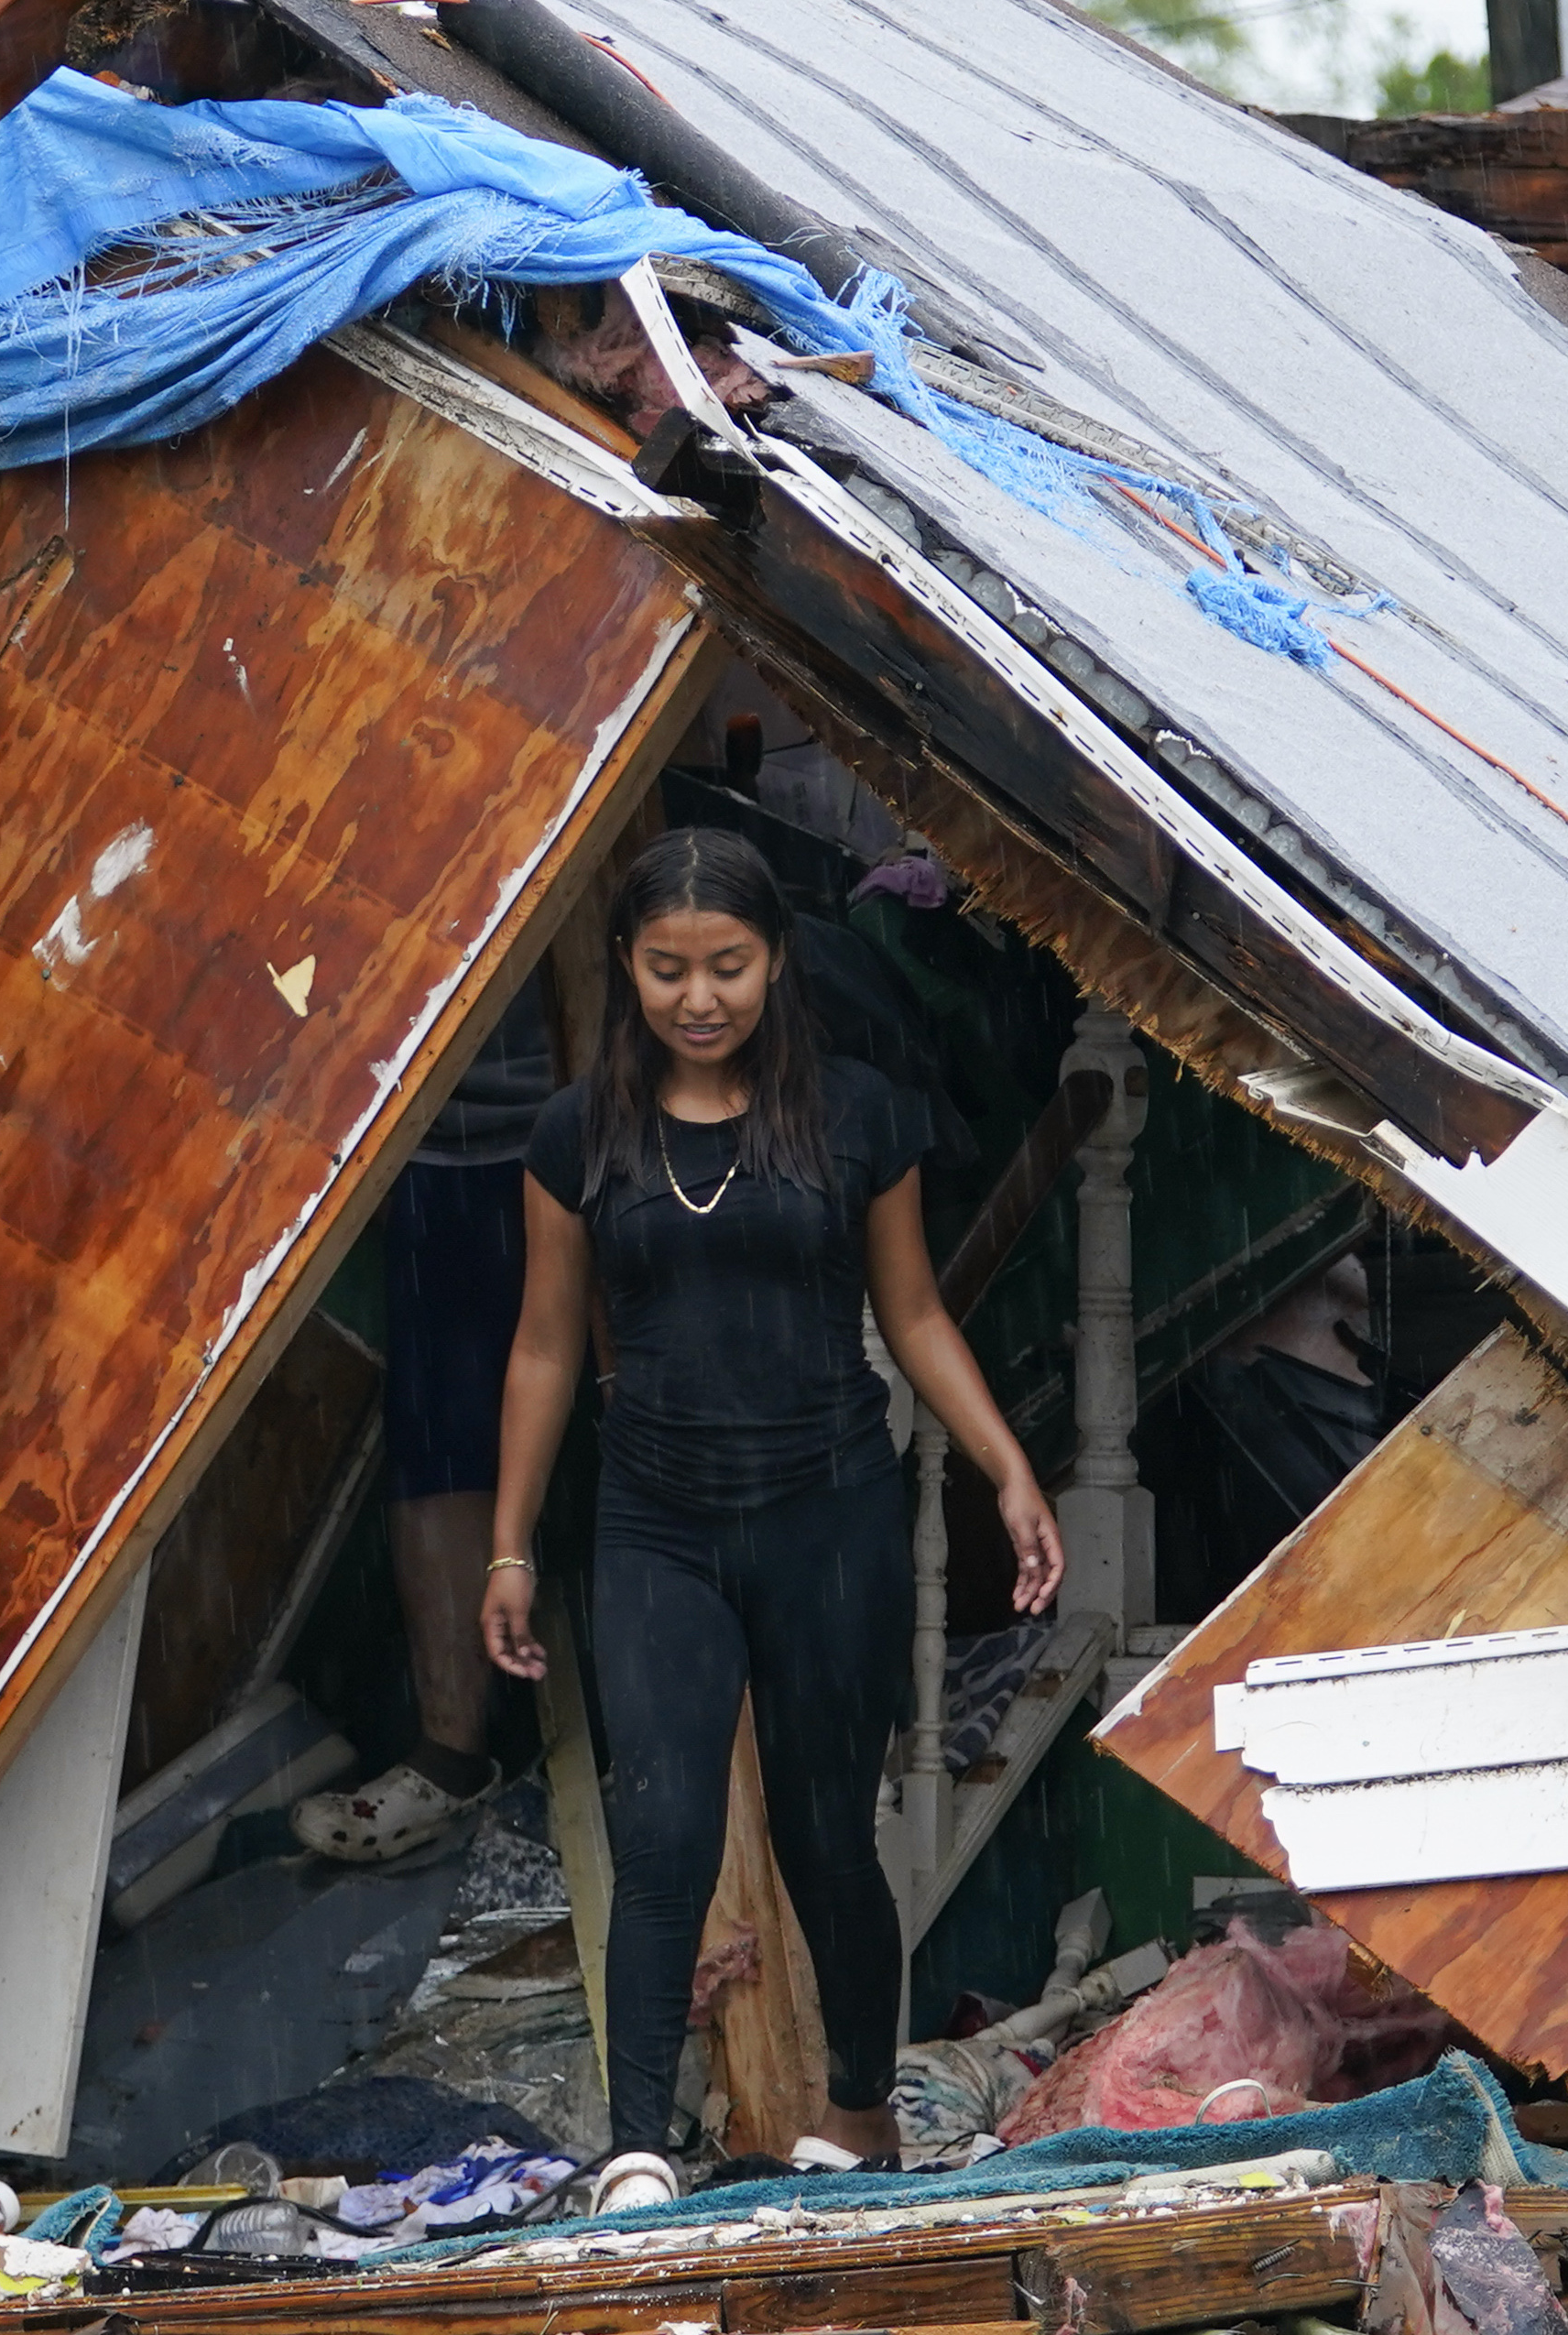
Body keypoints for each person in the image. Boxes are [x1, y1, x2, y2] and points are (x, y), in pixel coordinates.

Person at [485, 827, 1061, 2173]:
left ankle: (856, 2111)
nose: (698, 998)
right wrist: (507, 1542)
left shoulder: (855, 1114)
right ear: (627, 965)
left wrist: (1004, 1464)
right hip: (655, 1523)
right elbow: (543, 1343)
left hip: (830, 1515)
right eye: (669, 968)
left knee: (822, 1838)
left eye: (727, 968)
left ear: (774, 963)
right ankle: (635, 2151)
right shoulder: (575, 1133)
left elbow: (909, 1311)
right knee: (664, 1827)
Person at [295, 989, 558, 1865]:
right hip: (422, 1127)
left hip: (609, 1117)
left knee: (651, 1407)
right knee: (439, 1431)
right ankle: (449, 1755)